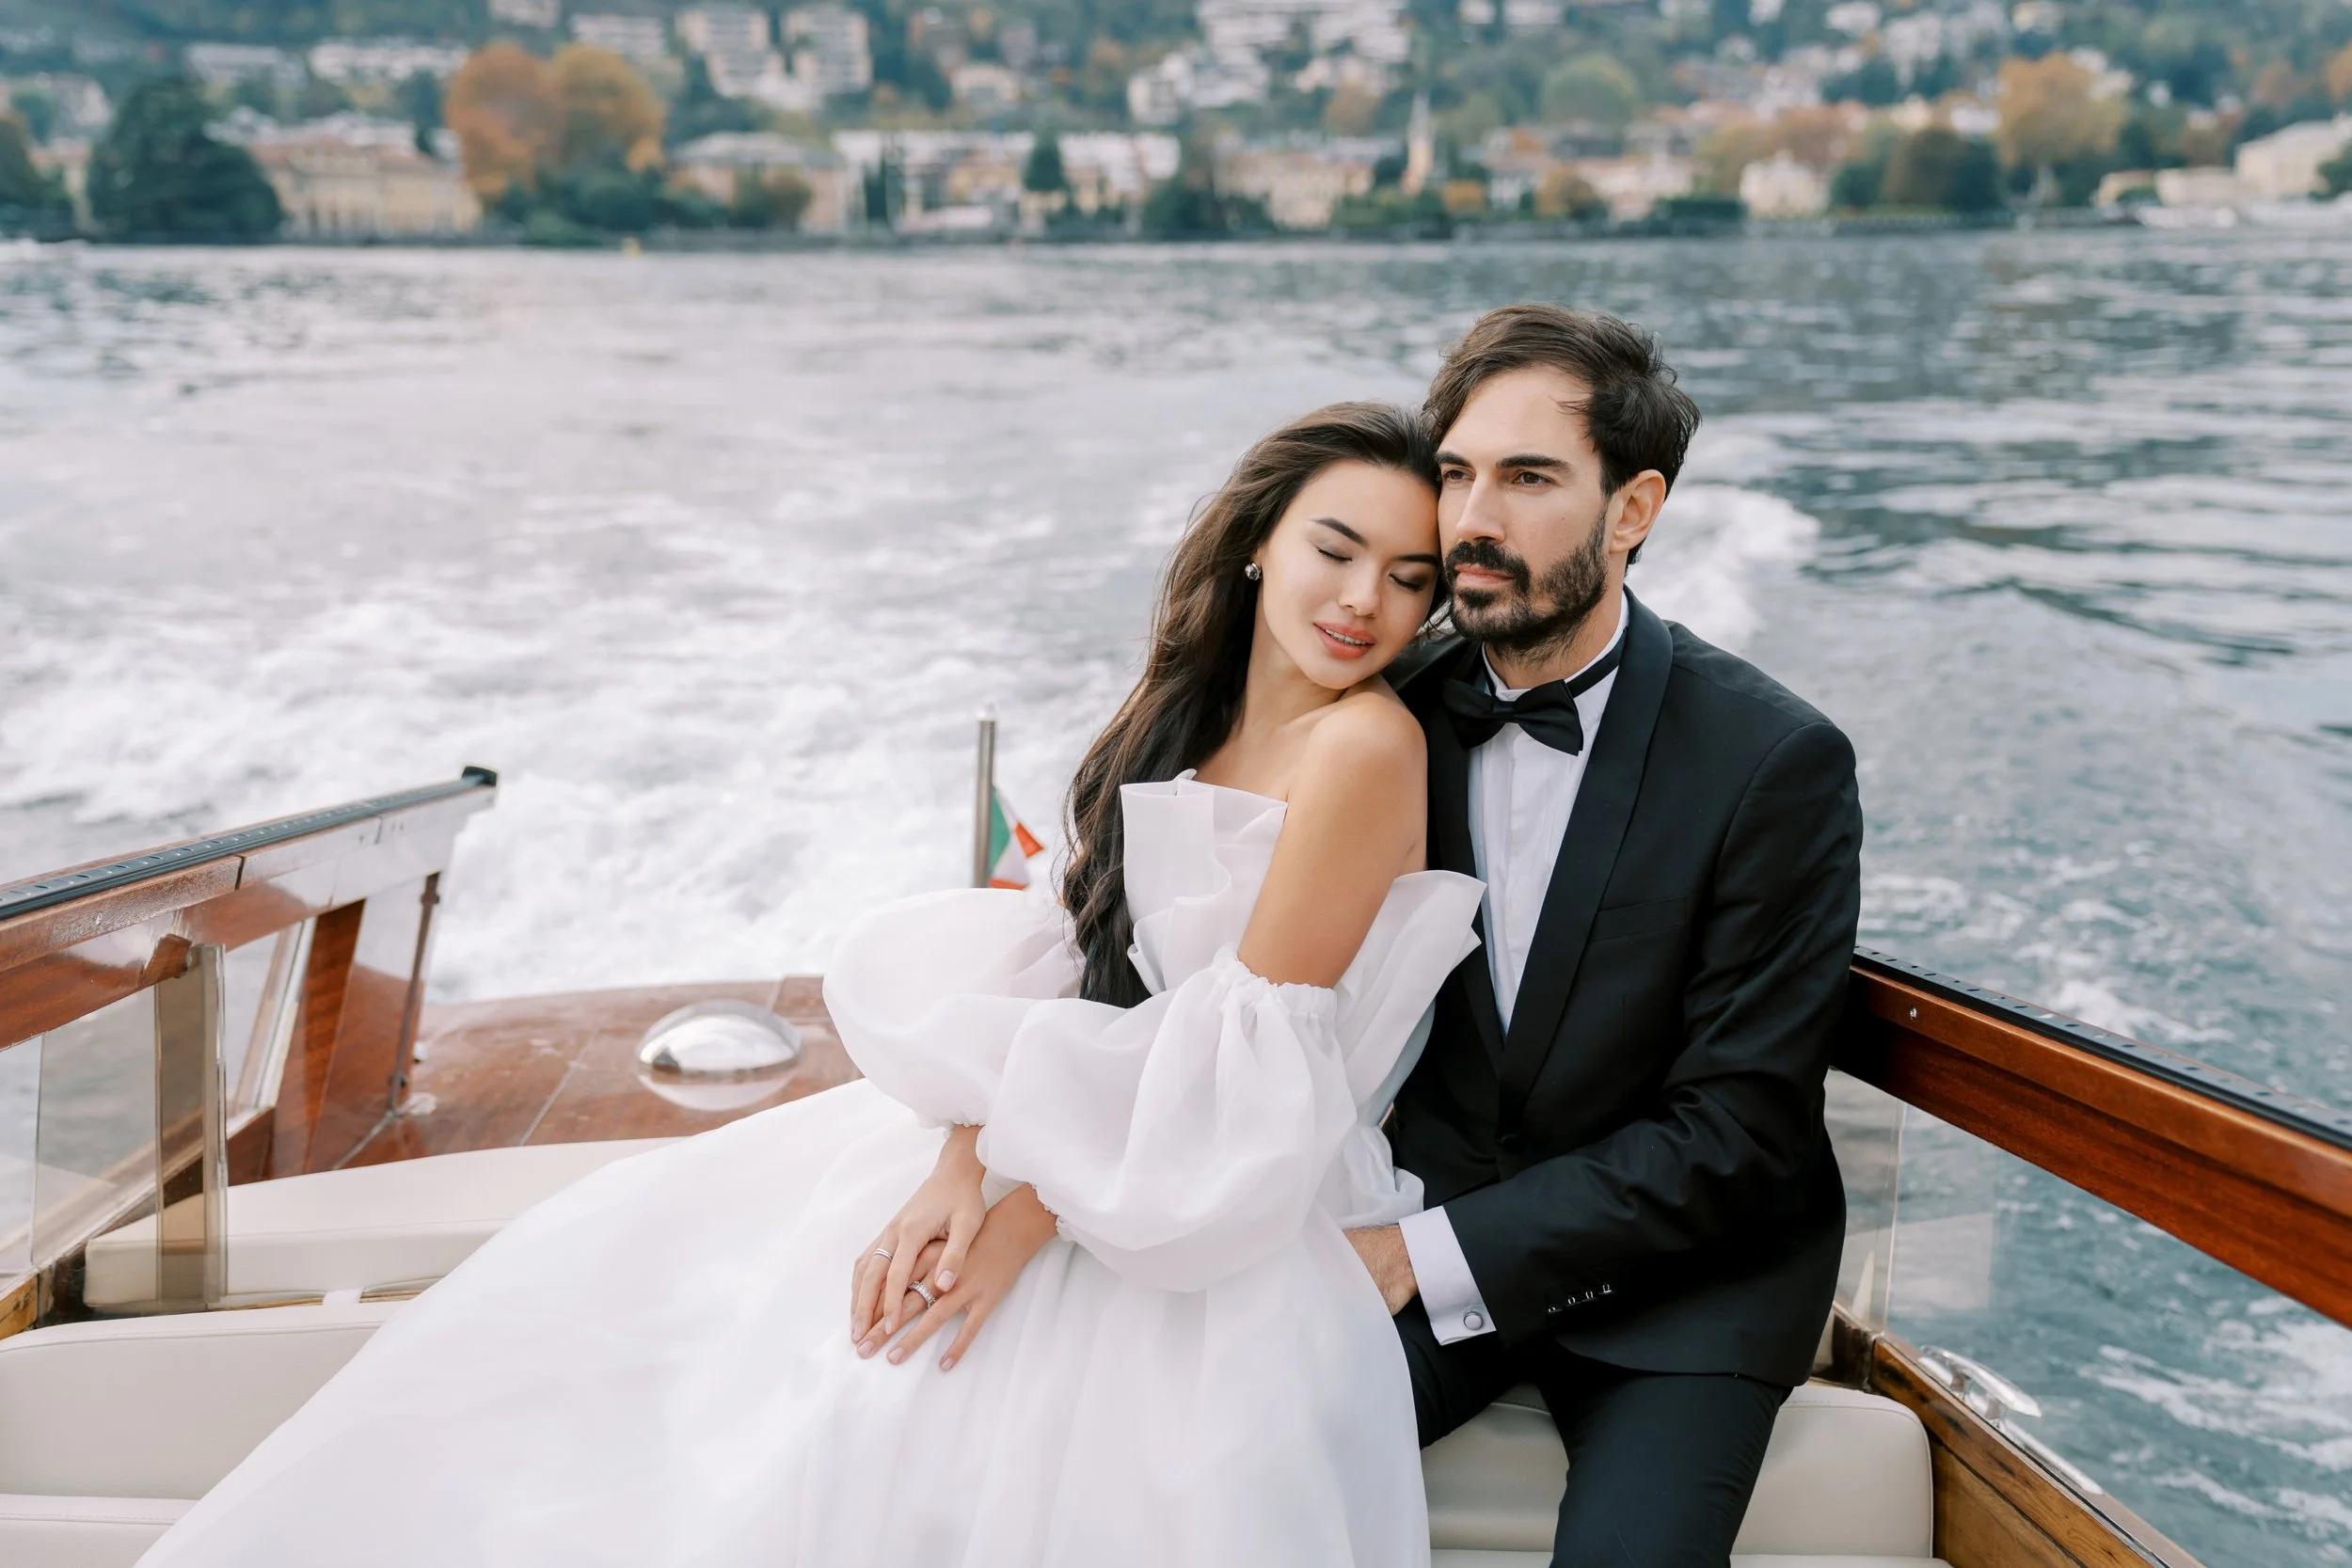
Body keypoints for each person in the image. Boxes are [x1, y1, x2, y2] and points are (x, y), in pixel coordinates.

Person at [136, 402, 1486, 1568]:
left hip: (1219, 1202)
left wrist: (1016, 1219)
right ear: (1258, 540)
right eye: (1336, 547)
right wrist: (964, 1160)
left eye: (1410, 577)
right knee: (668, 1288)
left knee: (890, 1394)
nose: (1364, 599)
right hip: (1086, 1137)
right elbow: (1082, 965)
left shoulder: (1365, 745)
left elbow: (1237, 1071)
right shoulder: (1184, 718)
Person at [1347, 304, 1866, 1567]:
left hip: (1690, 1286)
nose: (1475, 517)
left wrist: (1421, 1256)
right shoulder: (1381, 718)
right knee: (1219, 1478)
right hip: (1431, 1214)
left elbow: (1740, 1134)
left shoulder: (1774, 762)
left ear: (1633, 508)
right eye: (1458, 473)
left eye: (1529, 478)